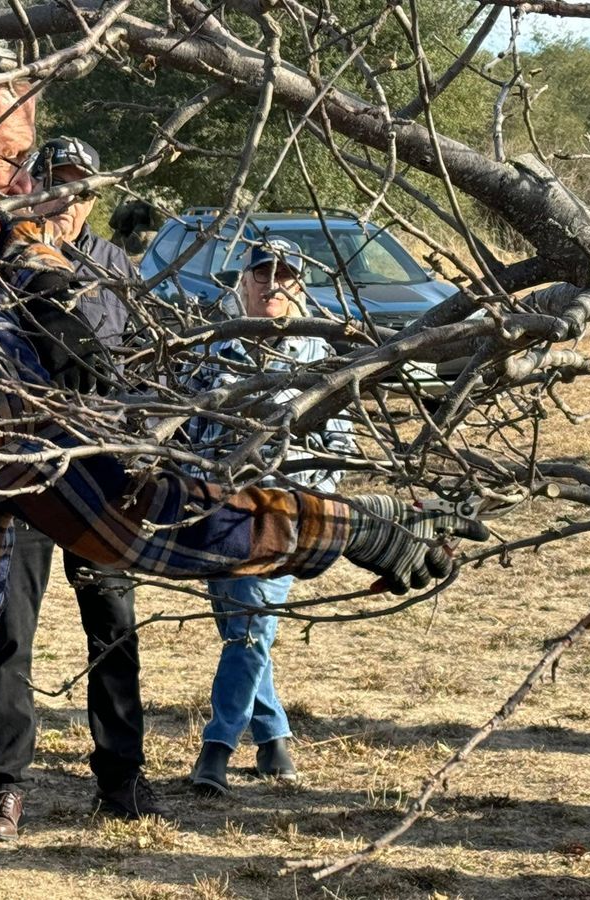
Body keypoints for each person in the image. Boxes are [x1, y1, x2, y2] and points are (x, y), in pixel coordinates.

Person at [0, 39, 485, 900]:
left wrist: (32, 274)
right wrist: (345, 522)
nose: (26, 189)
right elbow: (126, 516)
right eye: (12, 161)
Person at [0, 136, 162, 841]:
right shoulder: (3, 264)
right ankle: (4, 787)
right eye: (56, 184)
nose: (69, 201)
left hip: (103, 473)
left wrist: (143, 446)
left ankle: (122, 775)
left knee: (113, 627)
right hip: (26, 470)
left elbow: (146, 365)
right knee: (8, 632)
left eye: (82, 188)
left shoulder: (119, 270)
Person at [185, 238, 354, 794]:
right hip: (221, 512)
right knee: (242, 628)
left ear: (299, 284)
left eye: (285, 275)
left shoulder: (320, 353)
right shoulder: (214, 348)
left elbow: (339, 444)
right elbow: (186, 429)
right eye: (262, 275)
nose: (273, 284)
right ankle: (274, 736)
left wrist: (309, 504)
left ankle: (216, 746)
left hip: (284, 513)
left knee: (250, 630)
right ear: (244, 283)